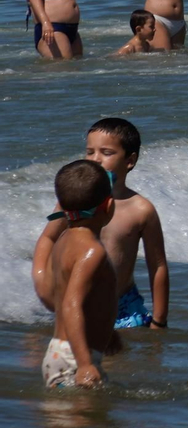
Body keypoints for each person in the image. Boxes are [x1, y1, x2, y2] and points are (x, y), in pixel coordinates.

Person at [35, 119, 169, 333]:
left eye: (106, 153)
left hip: (124, 309)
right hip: (77, 304)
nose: (95, 159)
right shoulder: (73, 200)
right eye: (90, 152)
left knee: (121, 364)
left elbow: (158, 265)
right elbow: (48, 237)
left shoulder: (141, 209)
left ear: (129, 160)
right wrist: (41, 279)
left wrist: (159, 321)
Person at [37, 160, 120, 387]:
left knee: (69, 420)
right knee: (85, 421)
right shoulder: (92, 251)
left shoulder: (64, 240)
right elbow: (71, 305)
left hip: (61, 351)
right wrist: (84, 364)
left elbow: (88, 301)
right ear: (109, 206)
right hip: (74, 357)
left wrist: (106, 332)